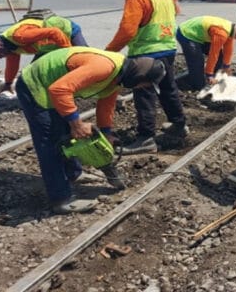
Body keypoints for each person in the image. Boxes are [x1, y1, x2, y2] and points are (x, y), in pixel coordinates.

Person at [16, 47, 165, 214]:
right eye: (144, 84)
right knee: (51, 142)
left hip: (53, 87)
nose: (141, 87)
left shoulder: (118, 76)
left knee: (67, 134)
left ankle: (74, 174)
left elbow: (106, 105)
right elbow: (59, 90)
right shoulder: (105, 67)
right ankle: (60, 199)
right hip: (36, 85)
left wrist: (106, 133)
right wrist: (77, 123)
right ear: (138, 77)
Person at [106, 0, 188, 155]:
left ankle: (146, 138)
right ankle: (179, 125)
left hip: (146, 52)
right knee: (168, 88)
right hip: (167, 47)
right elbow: (176, 12)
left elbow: (127, 31)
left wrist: (108, 52)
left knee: (144, 93)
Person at [0, 13, 88, 95]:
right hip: (47, 46)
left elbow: (55, 32)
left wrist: (67, 54)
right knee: (33, 74)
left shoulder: (19, 36)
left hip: (67, 30)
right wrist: (8, 84)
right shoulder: (10, 48)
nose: (1, 58)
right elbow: (12, 67)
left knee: (84, 61)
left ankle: (92, 88)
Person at [176, 17, 236, 90]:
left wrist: (226, 66)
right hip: (186, 33)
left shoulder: (231, 30)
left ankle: (213, 76)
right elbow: (213, 54)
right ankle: (198, 86)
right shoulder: (221, 33)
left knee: (220, 56)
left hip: (200, 34)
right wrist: (209, 74)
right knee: (197, 61)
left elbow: (228, 49)